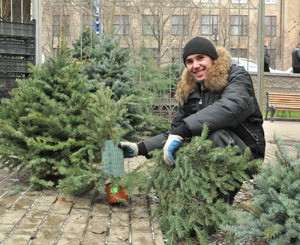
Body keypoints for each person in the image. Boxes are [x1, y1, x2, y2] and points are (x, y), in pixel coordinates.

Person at [119, 37, 266, 204]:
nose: (195, 65)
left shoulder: (236, 76)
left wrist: (184, 130)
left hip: (246, 153)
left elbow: (233, 107)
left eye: (200, 58)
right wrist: (140, 148)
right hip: (211, 153)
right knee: (180, 149)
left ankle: (215, 209)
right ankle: (186, 203)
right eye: (189, 61)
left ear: (212, 58)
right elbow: (177, 130)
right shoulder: (191, 90)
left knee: (215, 136)